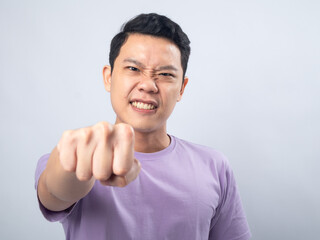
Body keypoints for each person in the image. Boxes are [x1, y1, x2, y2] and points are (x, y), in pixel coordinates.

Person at [35, 13, 251, 240]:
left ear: (182, 88)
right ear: (109, 77)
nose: (148, 85)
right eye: (133, 69)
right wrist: (75, 163)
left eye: (166, 74)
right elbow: (55, 191)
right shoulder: (73, 157)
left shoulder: (214, 166)